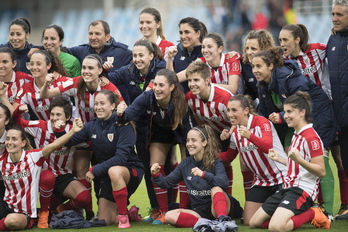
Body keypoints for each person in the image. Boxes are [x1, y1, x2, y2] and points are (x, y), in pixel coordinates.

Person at [40, 53, 124, 220]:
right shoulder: (76, 82)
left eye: (90, 68)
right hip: (83, 135)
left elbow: (123, 107)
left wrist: (120, 112)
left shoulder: (109, 88)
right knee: (81, 171)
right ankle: (88, 212)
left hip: (104, 136)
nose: (86, 71)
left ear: (100, 70)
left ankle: (111, 209)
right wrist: (46, 84)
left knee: (104, 173)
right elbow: (45, 95)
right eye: (84, 67)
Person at [55, 89, 145, 228]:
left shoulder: (123, 124)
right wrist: (60, 130)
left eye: (102, 103)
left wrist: (95, 169)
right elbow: (69, 141)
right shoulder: (92, 125)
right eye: (96, 104)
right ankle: (129, 213)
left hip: (130, 170)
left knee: (114, 171)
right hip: (106, 174)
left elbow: (121, 158)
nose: (98, 107)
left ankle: (123, 217)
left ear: (112, 106)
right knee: (106, 220)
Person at [279, 23, 340, 217]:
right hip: (300, 115)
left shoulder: (318, 50)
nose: (281, 44)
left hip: (324, 110)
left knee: (329, 157)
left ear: (297, 39)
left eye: (285, 39)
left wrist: (339, 36)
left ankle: (331, 208)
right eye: (279, 40)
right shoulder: (284, 61)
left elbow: (338, 53)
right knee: (302, 159)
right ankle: (312, 207)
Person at [117, 69, 191, 225]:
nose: (157, 88)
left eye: (161, 85)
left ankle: (183, 209)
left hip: (183, 132)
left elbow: (186, 130)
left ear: (171, 87)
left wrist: (188, 145)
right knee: (154, 167)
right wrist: (120, 114)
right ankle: (163, 212)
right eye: (155, 84)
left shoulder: (180, 100)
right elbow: (129, 114)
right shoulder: (148, 96)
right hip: (161, 133)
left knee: (186, 167)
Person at [249, 91, 331, 231]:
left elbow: (321, 171)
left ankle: (312, 213)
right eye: (285, 111)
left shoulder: (311, 138)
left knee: (276, 227)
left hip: (302, 190)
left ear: (302, 112)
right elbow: (296, 164)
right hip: (287, 188)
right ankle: (286, 216)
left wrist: (299, 159)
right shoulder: (296, 133)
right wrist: (279, 159)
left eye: (289, 112)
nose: (285, 116)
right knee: (254, 222)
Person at [103, 40, 168, 217]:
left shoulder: (160, 69)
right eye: (135, 55)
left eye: (141, 55)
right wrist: (104, 69)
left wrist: (124, 115)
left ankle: (170, 208)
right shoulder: (127, 71)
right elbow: (107, 81)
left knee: (167, 166)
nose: (137, 59)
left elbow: (147, 97)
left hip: (162, 125)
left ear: (151, 56)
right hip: (140, 128)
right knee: (150, 167)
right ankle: (157, 209)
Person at [9, 96, 91, 228]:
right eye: (52, 114)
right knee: (48, 176)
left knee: (84, 198)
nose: (54, 118)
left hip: (63, 175)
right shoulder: (40, 126)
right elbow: (17, 122)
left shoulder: (74, 130)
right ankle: (43, 213)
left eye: (58, 114)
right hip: (41, 175)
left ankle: (60, 209)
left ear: (68, 116)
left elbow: (92, 143)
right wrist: (18, 110)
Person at [150, 124, 243, 228]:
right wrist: (156, 174)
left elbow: (224, 182)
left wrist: (203, 175)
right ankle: (209, 224)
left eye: (193, 140)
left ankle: (223, 221)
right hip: (199, 211)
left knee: (216, 188)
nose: (189, 144)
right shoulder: (185, 164)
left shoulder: (215, 161)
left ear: (204, 142)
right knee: (169, 216)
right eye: (188, 140)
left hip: (220, 206)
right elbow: (165, 183)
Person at [0, 117, 83, 231]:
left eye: (14, 139)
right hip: (5, 207)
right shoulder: (1, 161)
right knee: (8, 218)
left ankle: (37, 217)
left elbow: (54, 145)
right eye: (8, 139)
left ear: (23, 142)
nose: (10, 142)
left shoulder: (33, 157)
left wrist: (73, 131)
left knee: (11, 220)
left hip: (24, 213)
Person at [252, 47, 338, 154]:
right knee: (290, 157)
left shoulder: (289, 77)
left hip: (316, 117)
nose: (254, 70)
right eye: (253, 66)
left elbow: (303, 102)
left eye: (258, 66)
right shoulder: (262, 85)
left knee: (318, 157)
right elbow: (263, 112)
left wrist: (281, 116)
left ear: (271, 66)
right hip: (293, 122)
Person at [219, 94, 287, 225]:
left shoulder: (261, 122)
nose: (230, 114)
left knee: (278, 220)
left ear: (246, 111)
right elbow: (229, 156)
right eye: (228, 110)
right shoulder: (235, 133)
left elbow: (268, 147)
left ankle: (309, 212)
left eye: (234, 110)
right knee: (249, 222)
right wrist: (208, 155)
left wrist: (250, 136)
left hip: (281, 177)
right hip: (262, 182)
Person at [185, 60, 234, 194]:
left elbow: (239, 120)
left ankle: (230, 199)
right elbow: (199, 121)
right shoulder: (190, 98)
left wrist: (230, 132)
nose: (192, 84)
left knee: (246, 165)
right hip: (215, 133)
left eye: (196, 80)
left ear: (207, 80)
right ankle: (218, 198)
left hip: (236, 131)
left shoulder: (225, 97)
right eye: (189, 80)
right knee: (216, 165)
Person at [326, 0, 348, 219]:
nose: (335, 18)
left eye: (340, 14)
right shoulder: (333, 39)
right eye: (333, 13)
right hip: (342, 117)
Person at [3, 49, 69, 120]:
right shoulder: (26, 89)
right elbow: (13, 114)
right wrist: (2, 96)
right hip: (45, 130)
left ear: (48, 66)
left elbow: (79, 85)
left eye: (38, 64)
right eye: (31, 64)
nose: (34, 67)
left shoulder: (61, 81)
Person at [171, 33, 243, 95]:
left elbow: (233, 89)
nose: (205, 50)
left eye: (209, 47)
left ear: (220, 49)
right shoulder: (200, 62)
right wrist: (169, 58)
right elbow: (176, 78)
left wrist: (205, 85)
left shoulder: (232, 59)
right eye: (203, 47)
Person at [67, 20, 132, 73]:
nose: (93, 37)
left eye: (97, 34)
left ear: (107, 37)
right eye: (90, 33)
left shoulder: (121, 52)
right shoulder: (81, 51)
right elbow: (60, 52)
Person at [166, 17, 208, 93]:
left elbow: (172, 80)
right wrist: (169, 58)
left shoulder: (205, 52)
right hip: (179, 99)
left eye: (187, 32)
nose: (183, 36)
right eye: (181, 33)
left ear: (198, 33)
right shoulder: (178, 49)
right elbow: (170, 76)